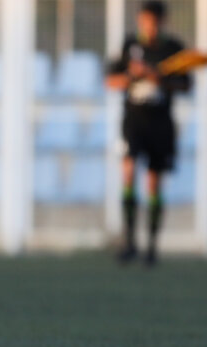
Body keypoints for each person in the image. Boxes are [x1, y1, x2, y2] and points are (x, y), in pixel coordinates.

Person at [104, 0, 192, 266]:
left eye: (153, 22)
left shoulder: (173, 49)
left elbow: (186, 85)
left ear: (162, 22)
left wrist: (159, 78)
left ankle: (152, 246)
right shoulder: (129, 46)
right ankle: (129, 240)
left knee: (154, 181)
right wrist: (133, 77)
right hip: (134, 120)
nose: (149, 27)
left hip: (160, 122)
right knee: (129, 171)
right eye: (144, 22)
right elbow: (111, 81)